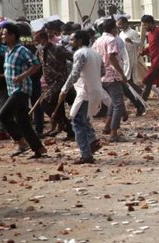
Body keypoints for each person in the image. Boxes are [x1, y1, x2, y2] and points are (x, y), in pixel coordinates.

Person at [0, 23, 47, 158]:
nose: (3, 37)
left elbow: (35, 64)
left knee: (3, 116)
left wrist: (22, 76)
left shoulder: (21, 50)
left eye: (6, 34)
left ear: (13, 36)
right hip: (12, 90)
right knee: (23, 122)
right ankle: (38, 149)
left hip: (21, 89)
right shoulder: (7, 50)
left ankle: (21, 142)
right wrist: (1, 32)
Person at [58, 30, 110, 164]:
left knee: (76, 121)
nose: (70, 43)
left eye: (72, 40)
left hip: (85, 92)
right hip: (96, 90)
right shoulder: (96, 54)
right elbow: (102, 71)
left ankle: (86, 154)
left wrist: (64, 89)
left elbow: (75, 73)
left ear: (80, 41)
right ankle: (92, 141)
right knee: (83, 119)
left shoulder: (80, 53)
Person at [34, 30, 75, 139]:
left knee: (44, 103)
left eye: (37, 40)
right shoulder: (39, 51)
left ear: (43, 39)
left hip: (61, 81)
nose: (36, 42)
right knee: (58, 106)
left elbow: (73, 58)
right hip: (49, 83)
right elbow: (39, 66)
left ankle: (63, 124)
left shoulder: (58, 48)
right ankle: (69, 130)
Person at [92, 19, 127, 142]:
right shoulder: (111, 40)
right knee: (118, 104)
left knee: (113, 101)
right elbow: (112, 57)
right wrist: (121, 73)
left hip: (101, 76)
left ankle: (107, 126)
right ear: (113, 29)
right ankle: (113, 132)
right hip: (112, 75)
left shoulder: (98, 41)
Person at [116, 16, 146, 116]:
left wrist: (131, 41)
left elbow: (140, 43)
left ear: (125, 23)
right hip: (124, 60)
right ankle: (137, 96)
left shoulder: (132, 33)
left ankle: (138, 94)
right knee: (128, 82)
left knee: (127, 81)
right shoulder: (120, 34)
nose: (119, 26)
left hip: (131, 59)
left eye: (121, 24)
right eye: (118, 25)